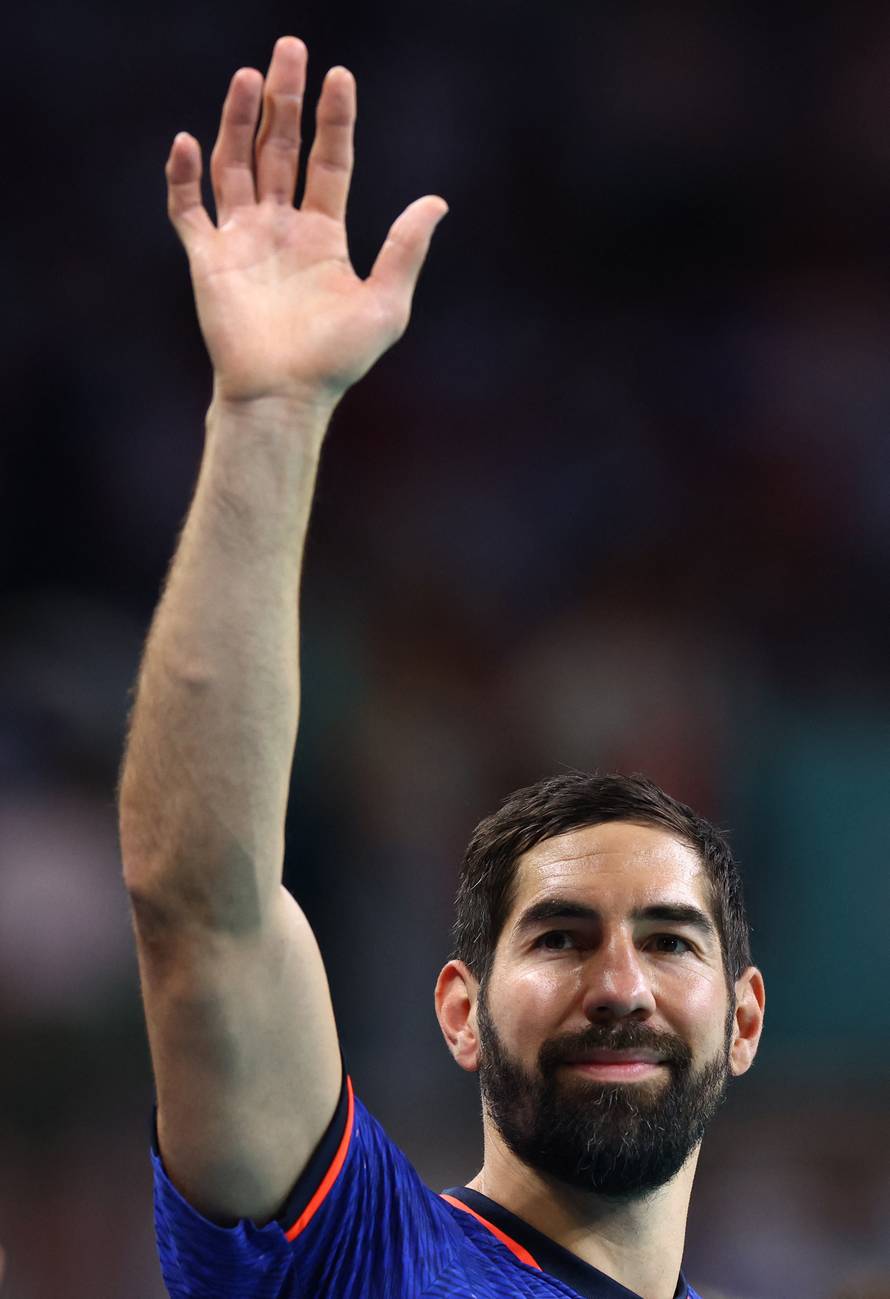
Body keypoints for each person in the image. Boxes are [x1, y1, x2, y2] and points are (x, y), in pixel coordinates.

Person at [117, 34, 766, 1299]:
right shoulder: (362, 1257)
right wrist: (267, 415)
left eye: (672, 941)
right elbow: (197, 906)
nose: (620, 985)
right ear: (460, 1008)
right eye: (561, 937)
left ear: (740, 1018)